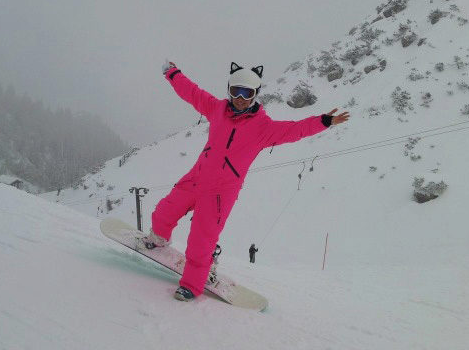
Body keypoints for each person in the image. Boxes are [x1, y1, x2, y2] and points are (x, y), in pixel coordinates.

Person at [142, 61, 349, 302]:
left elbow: (295, 130)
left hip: (220, 192)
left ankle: (192, 284)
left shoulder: (263, 128)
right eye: (236, 91)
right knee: (164, 212)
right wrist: (173, 73)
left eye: (247, 93)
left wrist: (323, 121)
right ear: (229, 90)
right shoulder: (217, 109)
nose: (240, 98)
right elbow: (192, 93)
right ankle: (158, 239)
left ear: (255, 95)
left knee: (201, 240)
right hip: (196, 177)